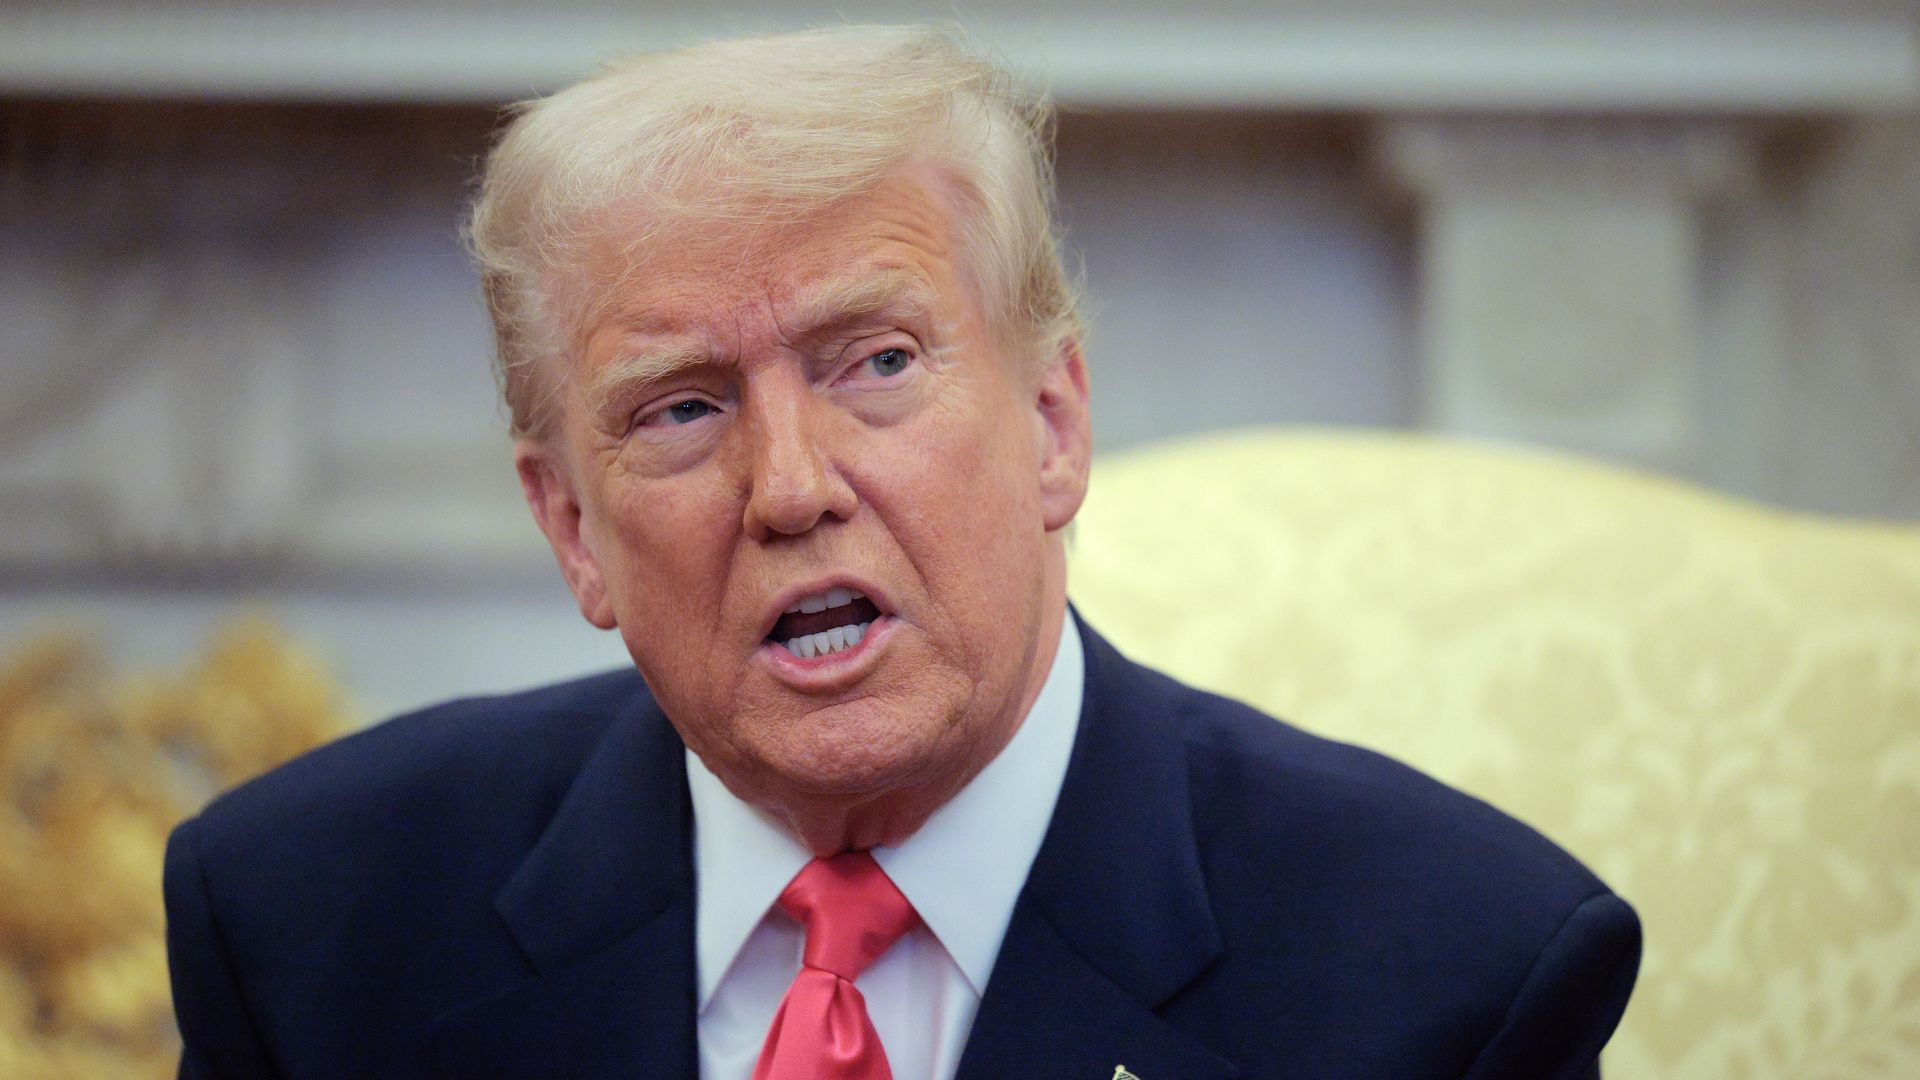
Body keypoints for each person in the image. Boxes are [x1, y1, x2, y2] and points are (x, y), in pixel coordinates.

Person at [164, 24, 1640, 1080]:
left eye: (875, 362)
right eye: (681, 408)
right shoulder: (311, 926)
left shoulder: (1455, 979)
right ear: (571, 527)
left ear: (1054, 422)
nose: (791, 490)